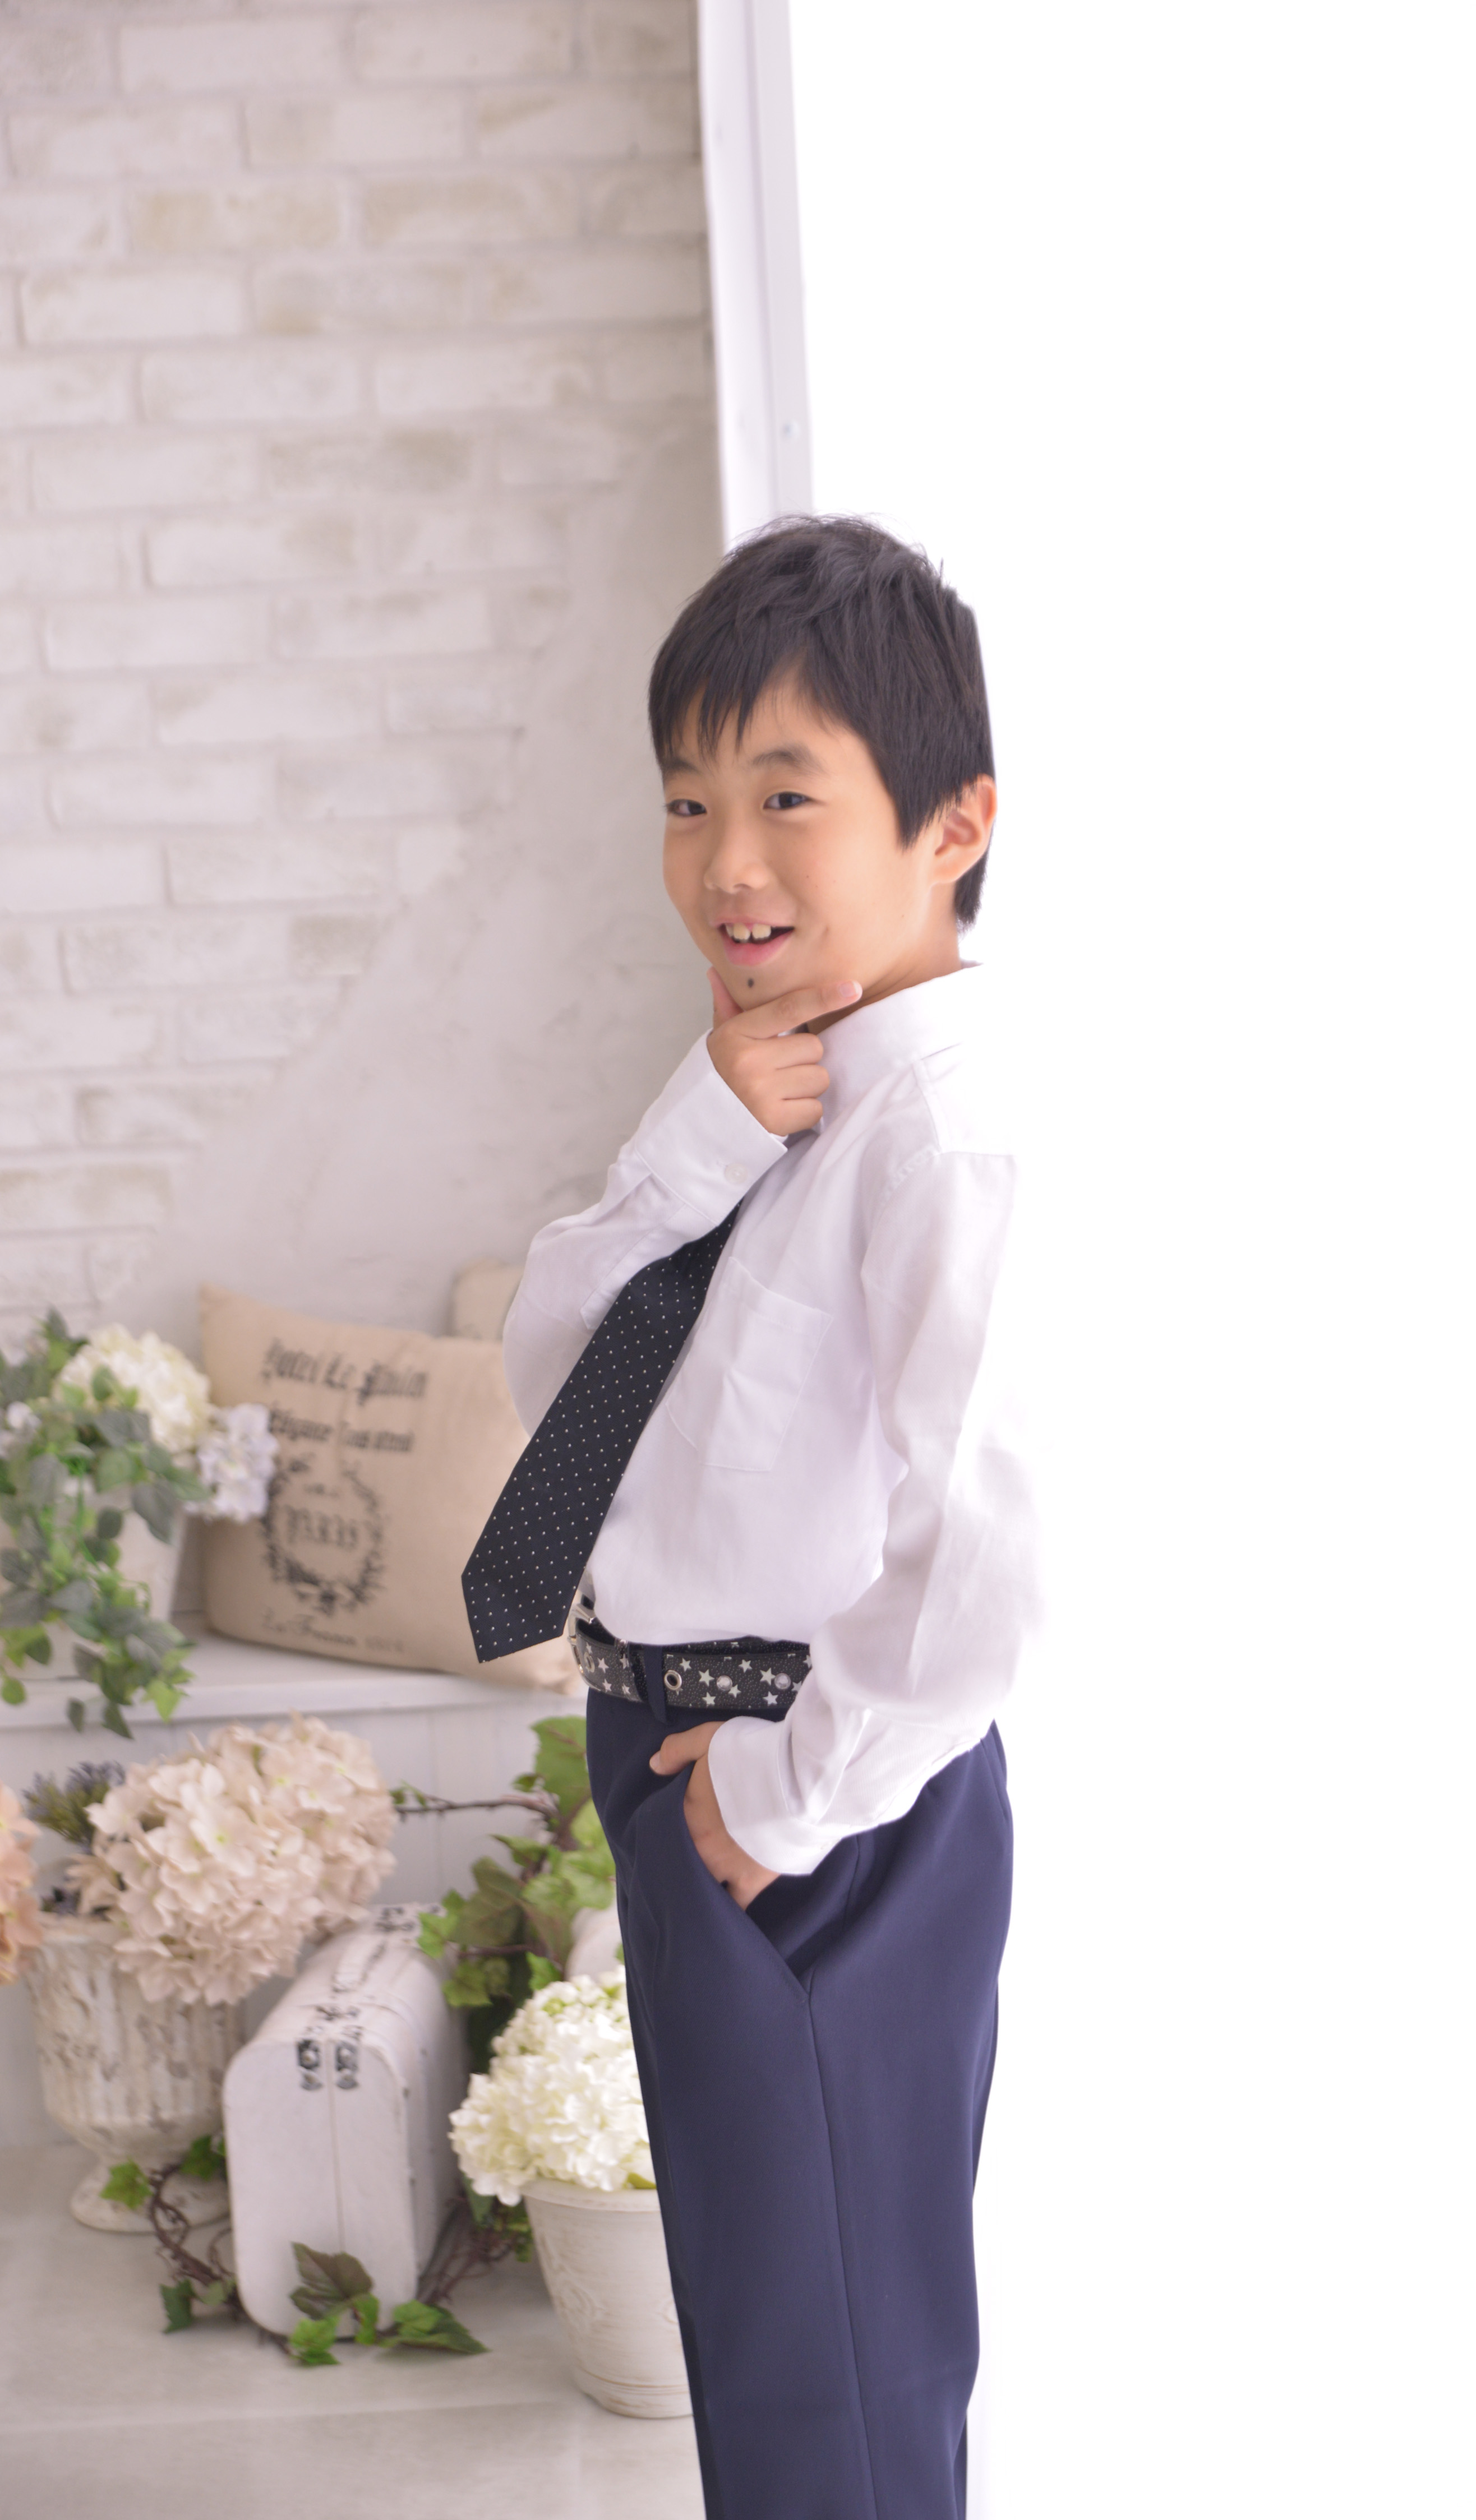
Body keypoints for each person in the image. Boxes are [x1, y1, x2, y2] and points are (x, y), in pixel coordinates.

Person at [469, 516, 1039, 2520]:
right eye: (687, 801)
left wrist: (786, 1800)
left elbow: (996, 1560)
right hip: (695, 1760)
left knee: (838, 2382)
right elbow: (561, 1380)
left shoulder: (943, 1130)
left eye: (788, 798)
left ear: (954, 824)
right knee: (779, 2355)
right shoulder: (775, 1084)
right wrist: (701, 1131)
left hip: (806, 1793)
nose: (726, 862)